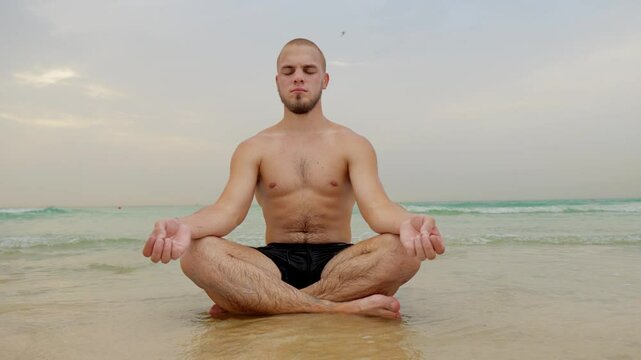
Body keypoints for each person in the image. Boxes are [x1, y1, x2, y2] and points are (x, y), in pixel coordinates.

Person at [143, 38, 444, 319]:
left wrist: (408, 223)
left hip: (339, 262)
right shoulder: (254, 147)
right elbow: (226, 211)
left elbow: (378, 209)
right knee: (196, 253)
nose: (298, 77)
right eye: (288, 71)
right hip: (272, 262)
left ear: (324, 81)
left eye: (308, 70)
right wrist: (183, 227)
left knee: (404, 251)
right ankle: (336, 310)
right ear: (278, 82)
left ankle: (262, 304)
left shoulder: (353, 144)